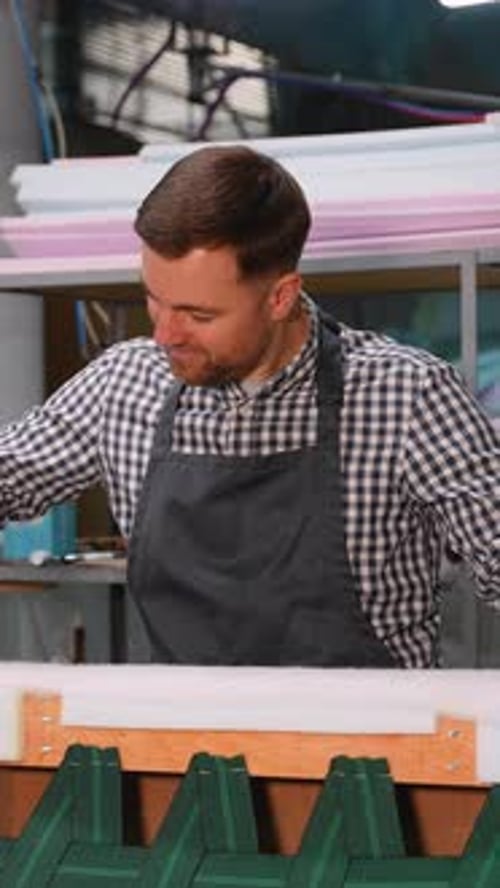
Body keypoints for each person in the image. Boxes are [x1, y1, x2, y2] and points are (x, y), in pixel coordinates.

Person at [0, 144, 499, 667]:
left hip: (363, 742)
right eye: (154, 298)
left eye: (197, 313)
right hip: (180, 738)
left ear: (280, 297)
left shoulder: (406, 397)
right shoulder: (125, 384)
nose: (164, 333)